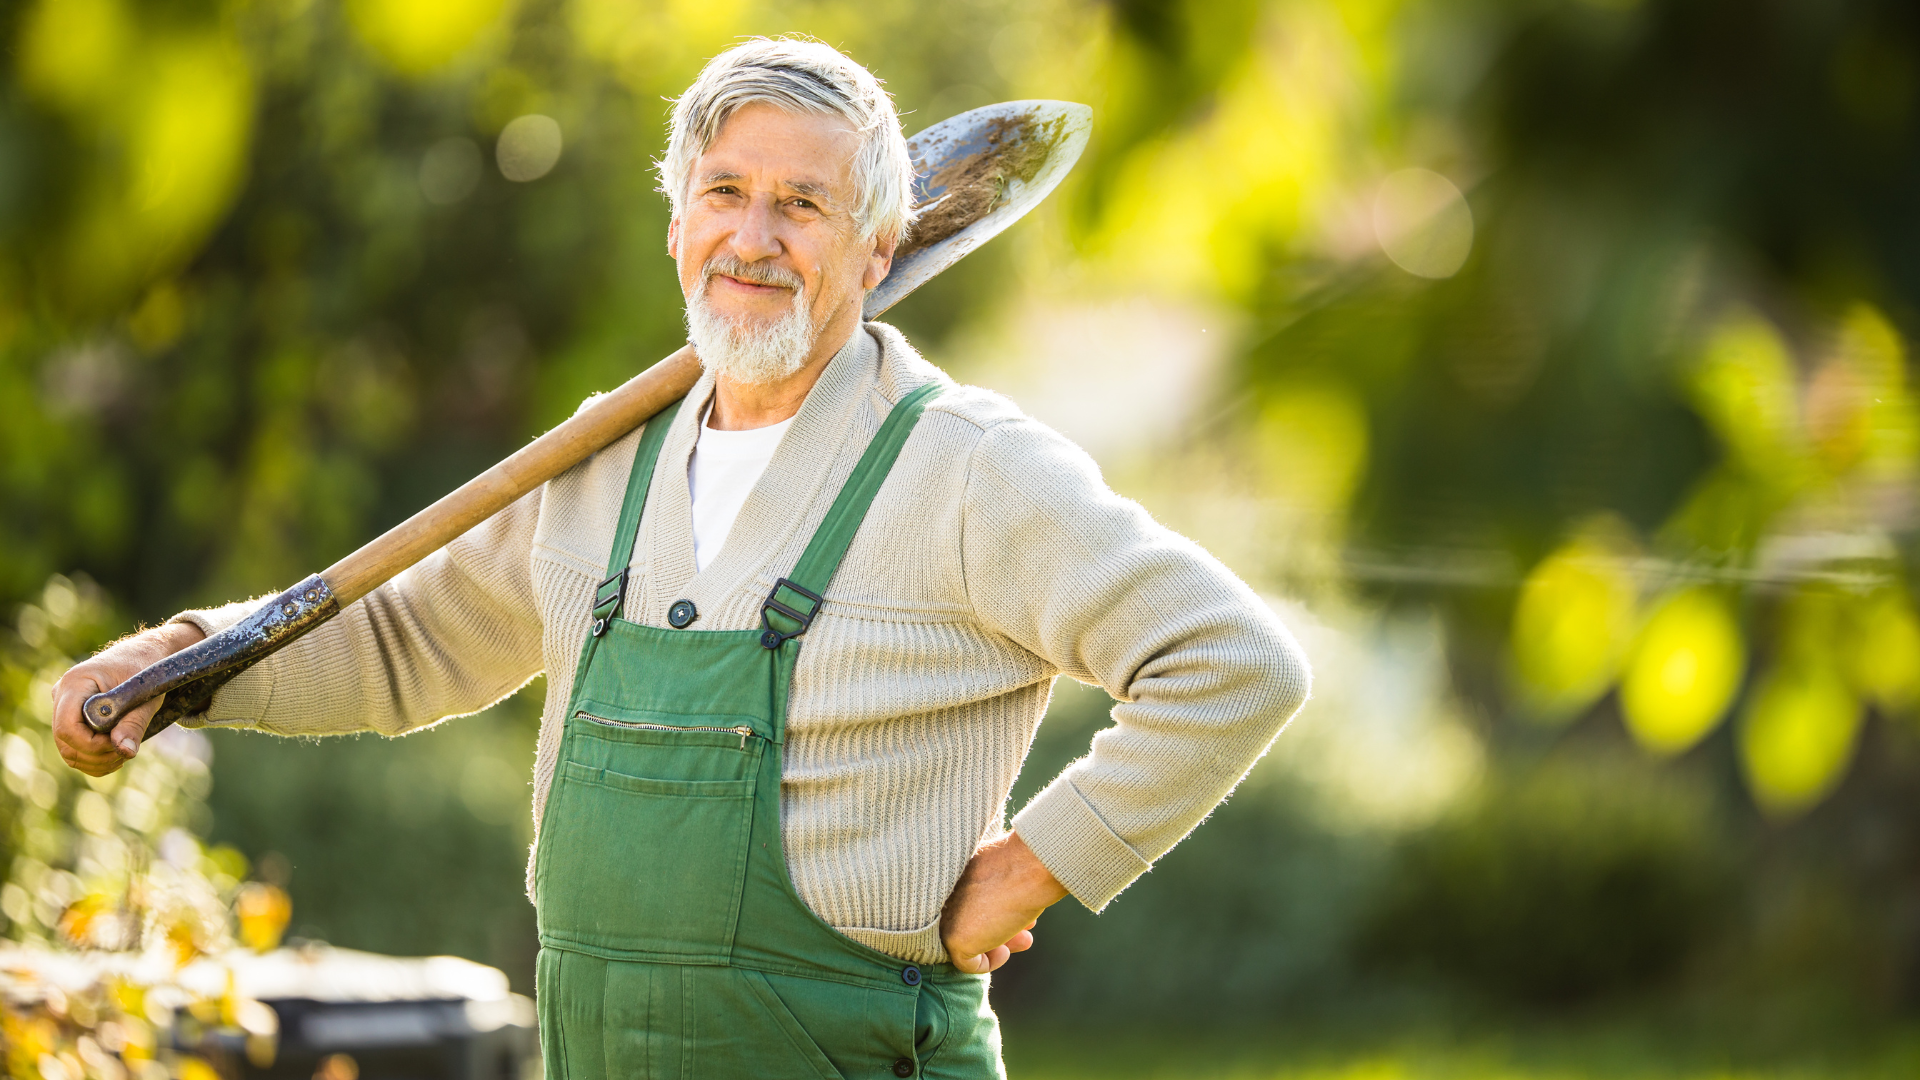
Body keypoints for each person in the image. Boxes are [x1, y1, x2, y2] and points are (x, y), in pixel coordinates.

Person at [52, 37, 1310, 1079]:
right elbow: (405, 640)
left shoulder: (966, 468)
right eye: (726, 192)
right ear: (676, 225)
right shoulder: (608, 461)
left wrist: (1035, 870)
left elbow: (1232, 661)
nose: (754, 237)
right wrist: (185, 660)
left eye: (803, 205)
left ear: (878, 255)